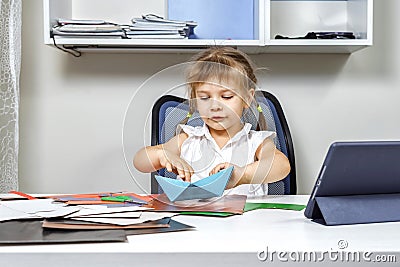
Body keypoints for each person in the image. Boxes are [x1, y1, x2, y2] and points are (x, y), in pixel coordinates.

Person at [134, 47, 290, 196]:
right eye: (204, 98)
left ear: (247, 99)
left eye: (227, 97)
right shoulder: (189, 138)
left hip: (245, 221)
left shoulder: (256, 141)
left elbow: (281, 165)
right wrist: (161, 155)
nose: (215, 106)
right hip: (194, 220)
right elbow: (140, 161)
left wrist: (243, 175)